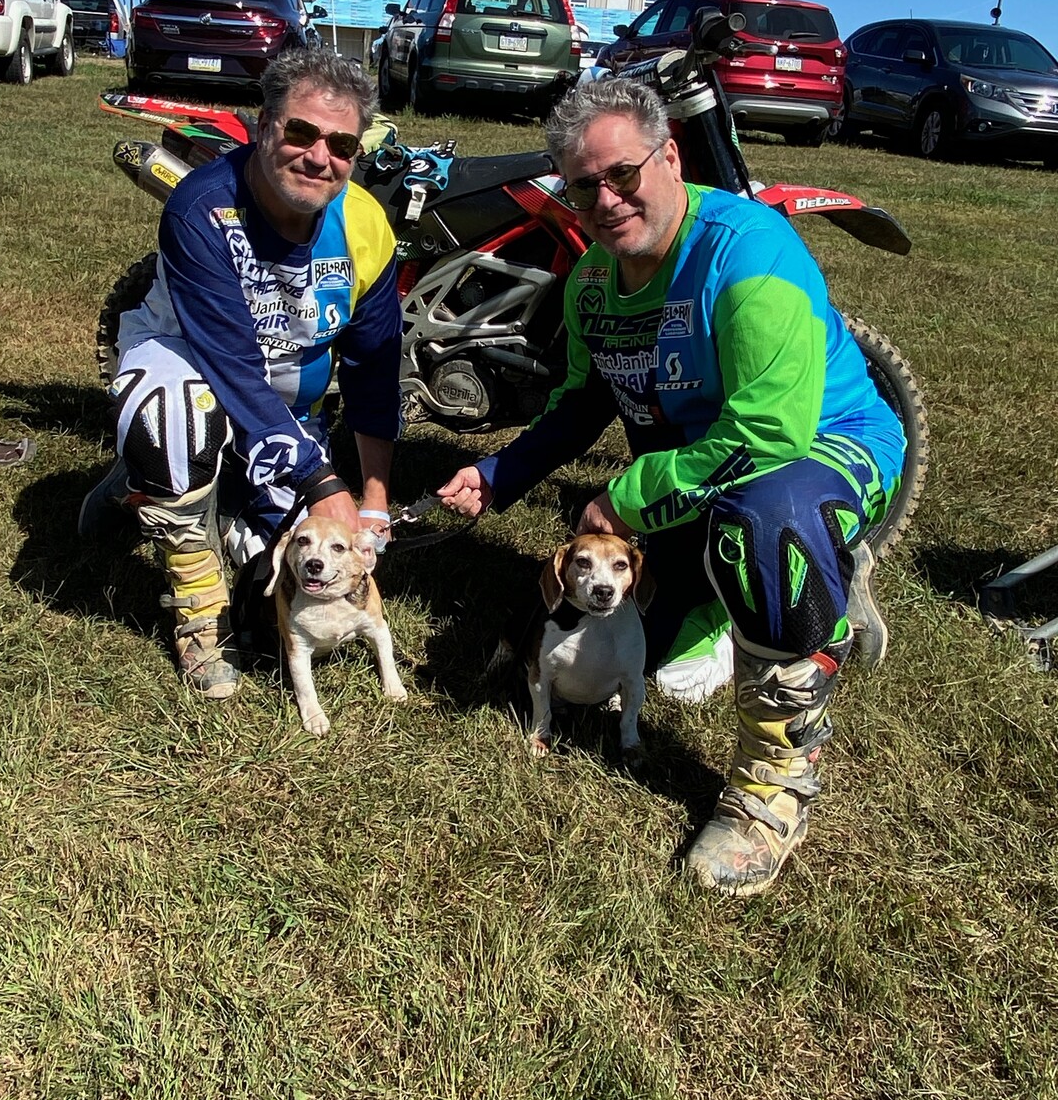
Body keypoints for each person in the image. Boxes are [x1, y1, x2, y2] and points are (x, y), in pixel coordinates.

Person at [438, 78, 905, 897]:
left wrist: (628, 496)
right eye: (585, 186)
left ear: (671, 156)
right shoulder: (591, 283)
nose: (608, 199)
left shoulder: (747, 248)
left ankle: (772, 787)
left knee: (766, 525)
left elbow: (768, 434)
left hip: (824, 448)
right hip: (700, 466)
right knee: (637, 644)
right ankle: (799, 591)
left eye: (624, 173)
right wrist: (499, 473)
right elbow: (581, 401)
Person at [80, 48, 402, 700]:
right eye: (301, 132)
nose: (319, 157)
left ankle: (184, 492)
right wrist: (318, 478)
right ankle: (195, 598)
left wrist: (370, 502)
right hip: (192, 367)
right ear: (264, 126)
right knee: (174, 418)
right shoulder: (202, 206)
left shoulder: (366, 225)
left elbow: (374, 372)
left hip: (292, 418)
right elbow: (229, 360)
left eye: (340, 144)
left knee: (275, 599)